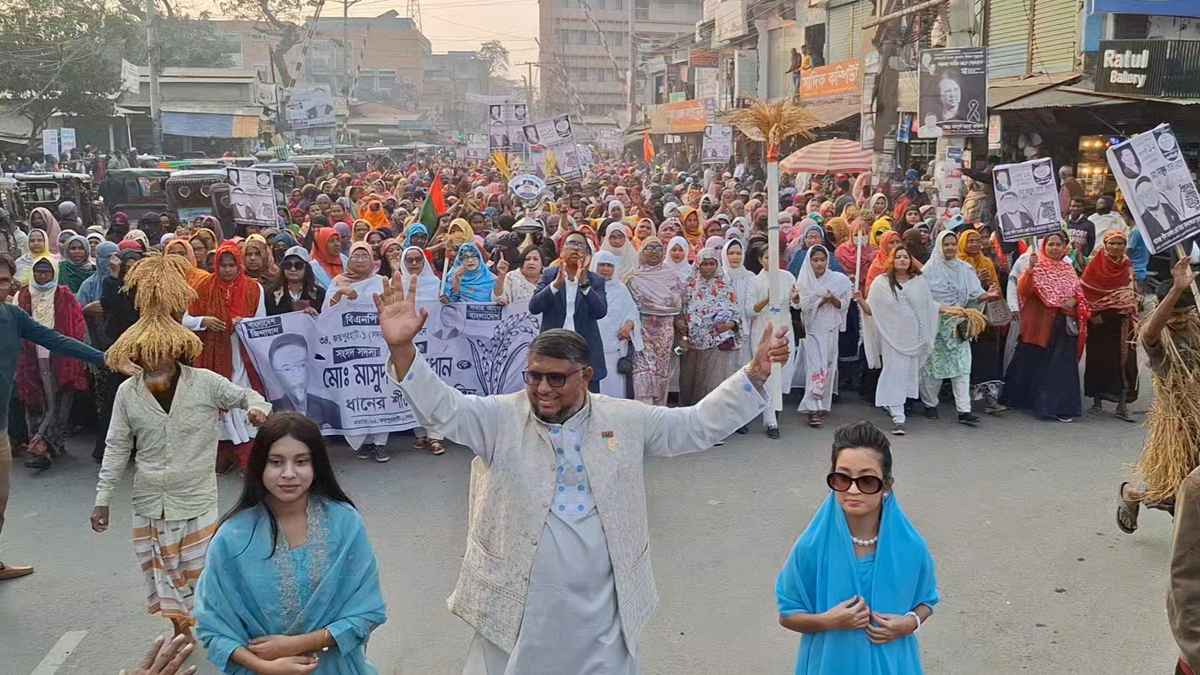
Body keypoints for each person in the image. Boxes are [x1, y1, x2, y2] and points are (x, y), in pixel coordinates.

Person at [374, 263, 790, 674]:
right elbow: (445, 408)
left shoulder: (624, 419)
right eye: (534, 376)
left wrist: (753, 373)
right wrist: (402, 350)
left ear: (587, 376)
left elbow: (696, 425)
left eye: (556, 379)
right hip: (519, 603)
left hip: (602, 611)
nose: (542, 389)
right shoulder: (500, 419)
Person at [90, 254, 271, 640]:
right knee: (162, 575)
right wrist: (102, 498)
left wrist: (257, 410)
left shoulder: (205, 382)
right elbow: (116, 446)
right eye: (145, 354)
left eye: (161, 352)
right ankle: (180, 629)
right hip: (149, 503)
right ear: (135, 354)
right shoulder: (127, 393)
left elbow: (248, 397)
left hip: (196, 499)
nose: (153, 359)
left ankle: (216, 627)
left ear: (175, 350)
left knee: (201, 572)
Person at [194, 413, 386, 674]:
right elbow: (212, 627)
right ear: (259, 465)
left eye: (301, 462)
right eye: (276, 462)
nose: (288, 474)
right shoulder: (232, 537)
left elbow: (367, 611)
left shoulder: (345, 523)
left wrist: (298, 644)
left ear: (316, 465)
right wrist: (264, 666)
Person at [775, 421, 939, 675]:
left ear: (886, 485)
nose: (852, 489)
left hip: (893, 665)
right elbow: (788, 614)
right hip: (831, 665)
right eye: (842, 478)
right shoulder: (811, 547)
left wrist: (909, 623)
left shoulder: (911, 547)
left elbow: (926, 600)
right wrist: (828, 621)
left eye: (867, 481)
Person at [0, 255, 106, 580]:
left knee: (0, 502)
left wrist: (104, 357)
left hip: (0, 430)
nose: (1, 285)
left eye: (4, 279)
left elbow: (55, 339)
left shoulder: (13, 315)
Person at [1117, 257, 1200, 534]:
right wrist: (1176, 289)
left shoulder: (1195, 326)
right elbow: (1151, 331)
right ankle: (1132, 495)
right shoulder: (1157, 337)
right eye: (1172, 315)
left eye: (1183, 314)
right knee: (1172, 490)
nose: (1178, 320)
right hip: (1178, 425)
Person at [189, 242, 267, 472]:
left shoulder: (254, 288)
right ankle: (225, 452)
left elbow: (261, 322)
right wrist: (204, 321)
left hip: (243, 353)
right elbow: (184, 319)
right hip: (212, 352)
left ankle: (246, 453)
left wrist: (244, 324)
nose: (227, 270)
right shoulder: (202, 286)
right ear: (216, 265)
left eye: (232, 265)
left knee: (242, 396)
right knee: (217, 398)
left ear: (239, 264)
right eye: (223, 265)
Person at [1002, 232, 1088, 422]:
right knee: (1034, 362)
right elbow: (1024, 291)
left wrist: (1072, 301)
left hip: (1062, 324)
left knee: (1060, 367)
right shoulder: (1036, 265)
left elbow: (1079, 291)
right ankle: (1026, 401)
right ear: (1044, 246)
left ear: (1065, 246)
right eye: (1051, 244)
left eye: (1058, 245)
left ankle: (1057, 407)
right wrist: (1031, 271)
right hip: (1039, 323)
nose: (1054, 248)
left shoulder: (1067, 267)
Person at [15, 257, 89, 470]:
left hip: (59, 357)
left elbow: (77, 326)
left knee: (59, 402)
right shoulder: (23, 295)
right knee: (35, 401)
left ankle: (53, 442)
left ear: (54, 273)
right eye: (38, 272)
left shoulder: (65, 296)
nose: (42, 276)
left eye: (47, 272)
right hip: (30, 356)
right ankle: (38, 445)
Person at [919, 230, 998, 426]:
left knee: (962, 368)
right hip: (937, 325)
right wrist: (944, 309)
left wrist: (987, 295)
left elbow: (974, 294)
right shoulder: (928, 271)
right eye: (946, 244)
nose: (950, 248)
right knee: (934, 369)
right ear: (939, 246)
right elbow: (923, 300)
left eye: (953, 244)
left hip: (960, 325)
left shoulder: (965, 269)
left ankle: (964, 411)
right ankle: (930, 404)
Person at [857, 245, 938, 435]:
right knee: (894, 370)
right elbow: (871, 311)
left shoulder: (919, 282)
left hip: (913, 337)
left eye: (906, 257)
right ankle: (898, 415)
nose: (902, 260)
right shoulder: (881, 283)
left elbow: (928, 308)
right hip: (891, 337)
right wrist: (860, 299)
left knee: (908, 372)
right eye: (899, 257)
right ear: (892, 260)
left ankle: (894, 404)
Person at [325, 242, 391, 463]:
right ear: (348, 260)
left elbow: (390, 308)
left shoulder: (382, 281)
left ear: (373, 260)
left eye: (365, 256)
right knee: (356, 392)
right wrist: (342, 295)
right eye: (356, 256)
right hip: (350, 350)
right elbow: (327, 314)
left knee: (379, 390)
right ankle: (363, 441)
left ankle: (380, 443)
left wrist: (359, 300)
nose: (360, 260)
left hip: (378, 347)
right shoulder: (337, 281)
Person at [530, 232, 609, 391]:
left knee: (587, 398)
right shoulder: (549, 275)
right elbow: (534, 307)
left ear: (587, 254)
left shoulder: (595, 280)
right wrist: (555, 286)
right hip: (554, 347)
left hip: (584, 350)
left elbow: (600, 311)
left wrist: (585, 285)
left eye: (581, 245)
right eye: (571, 243)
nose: (576, 248)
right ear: (562, 250)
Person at [1081, 229, 1139, 421]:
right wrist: (1093, 314)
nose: (1116, 247)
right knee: (1099, 359)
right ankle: (1097, 401)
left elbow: (1132, 292)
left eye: (1120, 243)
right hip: (1099, 322)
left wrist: (1129, 304)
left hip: (1123, 321)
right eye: (1112, 243)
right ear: (1105, 245)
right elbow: (1086, 292)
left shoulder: (1127, 266)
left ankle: (1122, 405)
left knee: (1125, 362)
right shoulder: (1095, 264)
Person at [794, 245, 852, 428]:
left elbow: (844, 304)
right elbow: (799, 305)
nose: (819, 263)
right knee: (815, 368)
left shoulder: (838, 280)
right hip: (812, 330)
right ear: (809, 261)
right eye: (815, 260)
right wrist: (804, 300)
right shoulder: (804, 281)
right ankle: (812, 408)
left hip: (830, 329)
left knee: (828, 366)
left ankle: (822, 405)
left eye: (822, 259)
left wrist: (831, 299)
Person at [680, 247, 742, 408]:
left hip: (716, 343)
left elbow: (736, 313)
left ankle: (709, 421)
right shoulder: (690, 284)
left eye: (711, 263)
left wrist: (730, 324)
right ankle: (688, 420)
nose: (708, 267)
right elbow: (681, 312)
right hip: (692, 343)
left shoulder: (724, 285)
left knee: (711, 383)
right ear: (698, 265)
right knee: (689, 382)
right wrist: (685, 337)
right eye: (704, 264)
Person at [626, 236, 684, 405]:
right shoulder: (633, 277)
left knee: (660, 372)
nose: (653, 251)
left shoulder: (671, 277)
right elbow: (627, 306)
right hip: (641, 332)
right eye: (649, 248)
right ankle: (643, 414)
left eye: (658, 248)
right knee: (642, 373)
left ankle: (658, 413)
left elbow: (677, 304)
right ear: (641, 251)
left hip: (664, 333)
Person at [751, 243, 798, 438]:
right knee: (768, 374)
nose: (771, 261)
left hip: (785, 329)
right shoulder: (755, 281)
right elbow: (750, 309)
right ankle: (770, 421)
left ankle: (774, 408)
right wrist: (767, 299)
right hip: (764, 330)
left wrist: (796, 298)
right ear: (761, 260)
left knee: (784, 372)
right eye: (766, 257)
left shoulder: (787, 277)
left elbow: (796, 303)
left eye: (774, 256)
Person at [593, 250, 642, 398]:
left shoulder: (621, 289)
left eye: (609, 265)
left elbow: (632, 312)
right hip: (593, 348)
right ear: (594, 265)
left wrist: (628, 325)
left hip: (615, 348)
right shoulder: (586, 288)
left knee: (615, 390)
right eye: (602, 265)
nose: (605, 269)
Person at [267, 333, 342, 430]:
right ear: (275, 373)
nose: (297, 374)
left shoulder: (330, 408)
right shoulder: (270, 410)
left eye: (301, 365)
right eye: (287, 369)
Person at [267, 246, 327, 316]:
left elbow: (326, 321)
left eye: (298, 265)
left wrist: (316, 315)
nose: (293, 269)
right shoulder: (271, 294)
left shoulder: (319, 293)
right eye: (288, 265)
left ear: (307, 268)